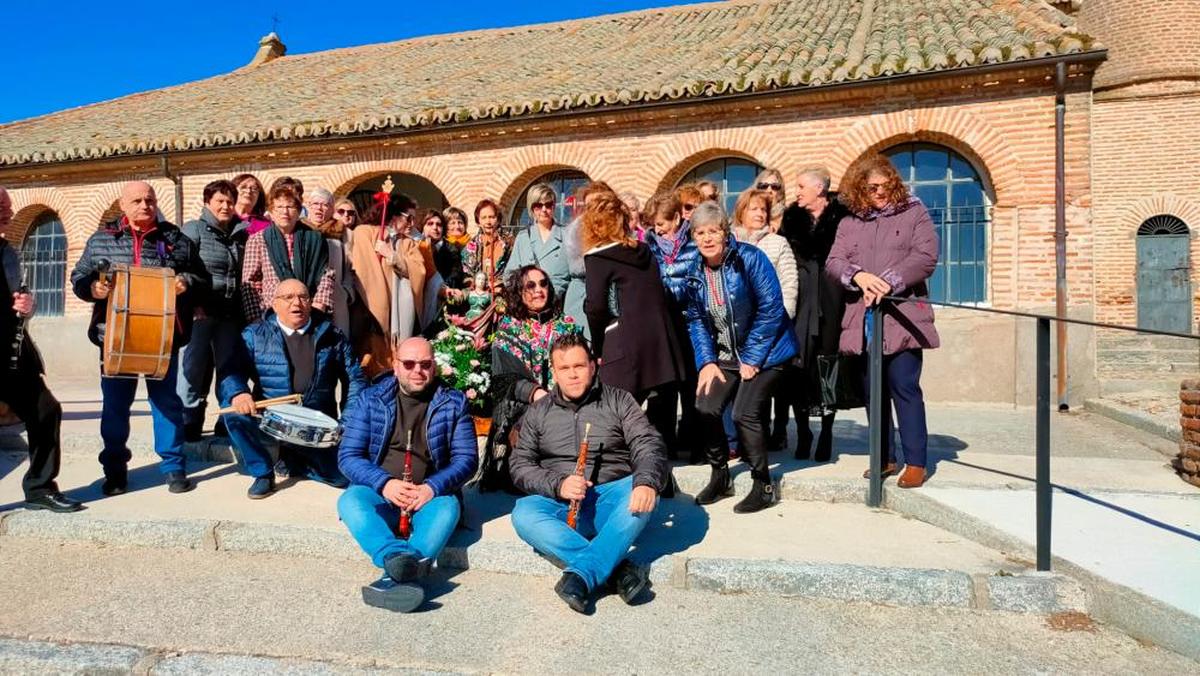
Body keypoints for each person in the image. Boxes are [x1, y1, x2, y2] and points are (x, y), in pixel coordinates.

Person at [509, 333, 668, 613]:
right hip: (561, 501)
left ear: (593, 366)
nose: (572, 375)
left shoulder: (619, 400)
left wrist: (646, 482)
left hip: (610, 495)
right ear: (554, 372)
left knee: (643, 497)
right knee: (524, 514)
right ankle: (617, 570)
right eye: (564, 368)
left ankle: (582, 575)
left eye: (579, 366)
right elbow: (519, 466)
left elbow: (648, 443)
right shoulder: (538, 412)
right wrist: (558, 484)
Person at [70, 181, 206, 495]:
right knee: (116, 406)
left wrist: (187, 280)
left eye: (150, 199)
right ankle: (115, 470)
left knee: (166, 403)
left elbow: (202, 277)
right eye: (137, 200)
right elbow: (79, 276)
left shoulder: (176, 240)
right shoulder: (101, 240)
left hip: (163, 337)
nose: (145, 205)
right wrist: (93, 289)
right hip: (116, 338)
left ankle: (173, 467)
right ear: (122, 205)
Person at [337, 336, 478, 612]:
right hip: (382, 491)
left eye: (425, 364)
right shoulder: (370, 399)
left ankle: (393, 576)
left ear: (434, 366)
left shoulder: (454, 402)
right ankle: (397, 558)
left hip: (428, 494)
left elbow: (467, 459)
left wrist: (432, 488)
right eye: (410, 363)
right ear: (396, 364)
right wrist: (384, 484)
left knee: (449, 507)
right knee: (350, 502)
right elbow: (348, 456)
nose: (418, 370)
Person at [826, 155, 940, 489]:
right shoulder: (850, 223)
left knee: (904, 387)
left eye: (885, 185)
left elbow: (925, 256)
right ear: (861, 189)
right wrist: (858, 276)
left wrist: (888, 281)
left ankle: (917, 461)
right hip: (863, 322)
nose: (879, 192)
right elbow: (834, 261)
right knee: (872, 394)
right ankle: (884, 456)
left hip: (902, 316)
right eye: (872, 187)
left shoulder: (914, 212)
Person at [684, 201, 797, 513]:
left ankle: (763, 484)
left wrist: (753, 357)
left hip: (769, 351)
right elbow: (695, 320)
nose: (707, 238)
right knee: (705, 406)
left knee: (743, 413)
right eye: (700, 232)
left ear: (725, 231)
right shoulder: (694, 271)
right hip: (725, 355)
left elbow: (772, 307)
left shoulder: (750, 258)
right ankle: (721, 476)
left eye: (713, 231)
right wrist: (706, 363)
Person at [220, 279, 367, 497]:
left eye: (303, 297)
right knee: (232, 414)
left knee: (342, 478)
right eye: (288, 298)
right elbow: (231, 370)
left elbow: (355, 379)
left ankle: (295, 461)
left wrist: (347, 421)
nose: (296, 303)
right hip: (269, 421)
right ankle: (263, 472)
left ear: (310, 302)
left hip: (317, 427)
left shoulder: (332, 335)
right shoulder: (254, 334)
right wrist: (239, 393)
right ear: (275, 304)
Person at [582, 193, 686, 465]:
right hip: (661, 343)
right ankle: (662, 476)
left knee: (611, 413)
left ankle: (612, 472)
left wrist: (598, 347)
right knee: (661, 418)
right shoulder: (643, 250)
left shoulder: (598, 257)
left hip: (624, 344)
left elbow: (595, 306)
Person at [0, 187, 81, 512]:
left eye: (7, 204)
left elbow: (19, 299)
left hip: (14, 351)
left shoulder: (7, 250)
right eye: (0, 205)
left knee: (46, 410)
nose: (7, 210)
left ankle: (39, 487)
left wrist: (27, 305)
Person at [478, 265, 581, 492]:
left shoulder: (567, 325)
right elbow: (505, 379)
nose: (538, 290)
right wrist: (537, 394)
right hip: (525, 407)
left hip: (566, 401)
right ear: (518, 291)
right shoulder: (509, 327)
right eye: (530, 285)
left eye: (543, 284)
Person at [777, 166, 850, 461]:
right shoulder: (791, 221)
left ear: (819, 188)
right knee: (798, 368)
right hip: (801, 304)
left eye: (801, 186)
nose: (796, 192)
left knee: (828, 368)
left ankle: (827, 432)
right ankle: (804, 431)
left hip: (834, 303)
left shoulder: (843, 219)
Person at [178, 180, 250, 441]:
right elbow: (181, 267)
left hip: (229, 313)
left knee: (228, 367)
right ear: (207, 202)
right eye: (220, 201)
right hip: (200, 312)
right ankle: (189, 420)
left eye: (230, 201)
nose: (225, 206)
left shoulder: (240, 234)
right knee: (193, 367)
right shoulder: (194, 230)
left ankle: (227, 418)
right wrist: (191, 302)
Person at [733, 188, 799, 454]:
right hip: (737, 331)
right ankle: (742, 445)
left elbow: (789, 284)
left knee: (759, 394)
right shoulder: (729, 241)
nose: (760, 214)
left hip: (769, 330)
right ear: (741, 212)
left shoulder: (777, 243)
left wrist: (779, 320)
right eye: (754, 209)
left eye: (763, 210)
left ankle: (761, 450)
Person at [644, 191, 702, 462]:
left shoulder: (695, 241)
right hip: (661, 325)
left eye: (662, 224)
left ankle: (692, 442)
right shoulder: (648, 244)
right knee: (664, 388)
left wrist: (674, 292)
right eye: (654, 225)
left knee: (692, 386)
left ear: (677, 218)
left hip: (692, 321)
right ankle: (662, 445)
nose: (658, 230)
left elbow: (700, 277)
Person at [241, 184, 335, 324]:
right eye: (279, 207)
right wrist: (256, 316)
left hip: (309, 311)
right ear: (271, 213)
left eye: (290, 207)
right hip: (271, 313)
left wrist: (319, 305)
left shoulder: (314, 239)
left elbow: (326, 274)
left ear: (298, 212)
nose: (285, 212)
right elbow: (250, 281)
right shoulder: (258, 240)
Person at [504, 183, 569, 301]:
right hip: (528, 304)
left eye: (548, 205)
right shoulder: (523, 238)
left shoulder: (567, 235)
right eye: (538, 206)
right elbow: (509, 275)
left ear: (554, 206)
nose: (544, 210)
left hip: (558, 303)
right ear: (532, 209)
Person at [310, 188, 358, 340]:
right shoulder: (301, 229)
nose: (319, 208)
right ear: (308, 206)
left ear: (331, 209)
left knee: (338, 340)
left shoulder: (343, 232)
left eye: (325, 205)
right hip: (309, 296)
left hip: (337, 296)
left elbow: (352, 264)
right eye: (315, 204)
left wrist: (347, 291)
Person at [421, 208, 464, 289]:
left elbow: (455, 276)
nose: (435, 227)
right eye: (430, 224)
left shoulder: (452, 250)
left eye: (439, 224)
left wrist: (441, 288)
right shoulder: (416, 246)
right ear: (423, 227)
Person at [753, 167, 787, 232]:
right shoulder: (746, 216)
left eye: (774, 186)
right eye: (764, 186)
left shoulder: (788, 218)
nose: (769, 190)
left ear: (780, 192)